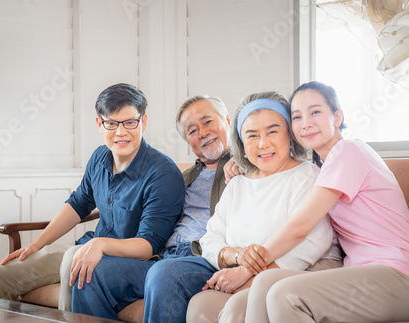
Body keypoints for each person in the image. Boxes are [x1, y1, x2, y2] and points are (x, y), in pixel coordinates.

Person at [0, 83, 185, 311]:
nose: (121, 132)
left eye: (130, 123)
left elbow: (149, 246)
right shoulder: (99, 157)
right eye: (111, 123)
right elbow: (79, 204)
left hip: (126, 263)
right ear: (100, 124)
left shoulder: (163, 174)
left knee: (72, 263)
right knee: (1, 274)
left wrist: (100, 244)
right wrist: (36, 245)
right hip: (87, 248)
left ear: (143, 122)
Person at [143, 91, 338, 323]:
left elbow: (312, 243)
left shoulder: (308, 176)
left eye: (273, 131)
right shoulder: (237, 184)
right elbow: (210, 240)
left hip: (299, 274)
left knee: (237, 308)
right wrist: (236, 257)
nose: (263, 144)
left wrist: (251, 278)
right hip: (247, 274)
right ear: (241, 143)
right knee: (200, 305)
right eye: (252, 135)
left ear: (289, 134)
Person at [237, 81, 409, 323]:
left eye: (315, 112)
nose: (305, 123)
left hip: (396, 275)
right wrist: (239, 164)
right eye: (297, 117)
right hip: (361, 273)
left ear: (337, 117)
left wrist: (245, 269)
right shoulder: (325, 164)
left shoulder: (348, 151)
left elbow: (300, 226)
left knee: (285, 295)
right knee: (265, 281)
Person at [61, 94, 232, 320]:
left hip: (204, 259)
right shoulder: (183, 178)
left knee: (163, 274)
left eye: (208, 122)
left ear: (228, 121)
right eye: (192, 130)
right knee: (93, 271)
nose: (202, 132)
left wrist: (242, 159)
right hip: (165, 257)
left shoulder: (246, 169)